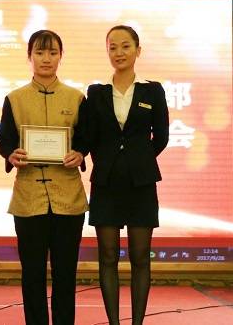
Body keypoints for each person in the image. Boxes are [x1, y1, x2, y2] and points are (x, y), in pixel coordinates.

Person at [0, 29, 88, 325]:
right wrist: (11, 154)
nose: (46, 59)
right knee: (32, 274)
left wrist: (80, 153)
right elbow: (4, 139)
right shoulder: (15, 98)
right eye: (39, 52)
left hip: (68, 198)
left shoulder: (76, 97)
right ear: (29, 57)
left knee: (66, 274)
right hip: (29, 199)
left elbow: (86, 138)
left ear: (61, 56)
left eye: (52, 52)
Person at [83, 25, 169, 325]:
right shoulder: (96, 92)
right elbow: (89, 136)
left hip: (141, 184)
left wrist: (137, 160)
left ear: (137, 50)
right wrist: (109, 161)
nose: (119, 53)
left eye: (125, 46)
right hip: (105, 183)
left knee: (140, 256)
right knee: (107, 256)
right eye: (113, 47)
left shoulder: (152, 91)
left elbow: (161, 137)